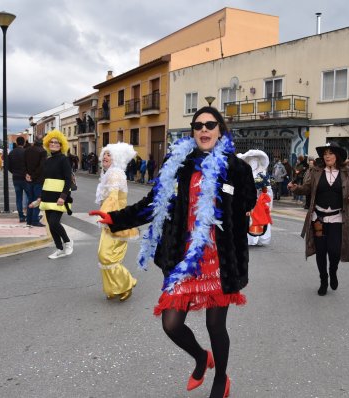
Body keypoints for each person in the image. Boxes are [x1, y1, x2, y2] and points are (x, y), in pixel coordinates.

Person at [92, 106, 256, 398]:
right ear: (193, 132)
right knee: (171, 324)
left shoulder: (237, 168)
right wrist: (117, 218)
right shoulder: (178, 164)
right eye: (198, 125)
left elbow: (247, 204)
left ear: (220, 130)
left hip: (218, 259)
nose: (204, 130)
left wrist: (227, 190)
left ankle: (221, 379)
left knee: (215, 324)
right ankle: (200, 357)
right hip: (183, 257)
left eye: (210, 124)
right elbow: (154, 202)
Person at [289, 142, 349, 296]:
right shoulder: (316, 171)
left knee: (334, 251)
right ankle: (323, 279)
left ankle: (333, 271)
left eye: (331, 153)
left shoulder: (347, 172)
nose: (327, 156)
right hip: (318, 219)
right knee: (321, 251)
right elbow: (307, 188)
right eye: (325, 153)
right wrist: (296, 189)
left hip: (336, 219)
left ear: (337, 156)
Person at [91, 143, 139, 301]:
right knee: (105, 256)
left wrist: (106, 219)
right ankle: (114, 288)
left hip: (116, 220)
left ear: (116, 158)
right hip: (112, 219)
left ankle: (126, 283)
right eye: (104, 154)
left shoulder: (115, 174)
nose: (105, 157)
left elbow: (112, 198)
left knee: (106, 256)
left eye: (109, 155)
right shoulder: (109, 173)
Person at [29, 130, 74, 258]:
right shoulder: (47, 161)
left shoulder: (64, 159)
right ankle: (59, 249)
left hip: (59, 198)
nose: (53, 144)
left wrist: (63, 197)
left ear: (61, 145)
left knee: (54, 222)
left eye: (56, 142)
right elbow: (46, 182)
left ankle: (68, 242)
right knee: (51, 225)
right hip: (47, 197)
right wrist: (39, 199)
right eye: (51, 142)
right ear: (48, 144)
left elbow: (68, 180)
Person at [238, 149, 273, 246]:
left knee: (259, 220)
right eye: (251, 161)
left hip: (259, 202)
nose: (254, 164)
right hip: (248, 201)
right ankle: (249, 239)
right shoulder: (244, 173)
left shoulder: (263, 174)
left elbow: (268, 189)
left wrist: (263, 190)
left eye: (255, 161)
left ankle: (260, 238)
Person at [24, 133, 47, 228]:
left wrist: (27, 174)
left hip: (28, 179)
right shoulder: (43, 151)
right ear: (43, 142)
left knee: (30, 199)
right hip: (38, 179)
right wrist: (33, 176)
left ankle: (28, 220)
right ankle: (34, 220)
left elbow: (23, 163)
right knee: (37, 200)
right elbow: (41, 167)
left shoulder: (27, 150)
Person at [8, 137, 28, 222]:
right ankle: (29, 215)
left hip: (16, 178)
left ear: (16, 142)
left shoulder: (12, 153)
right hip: (25, 178)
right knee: (30, 196)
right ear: (24, 143)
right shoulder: (26, 152)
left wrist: (14, 172)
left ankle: (21, 216)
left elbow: (8, 166)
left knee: (18, 198)